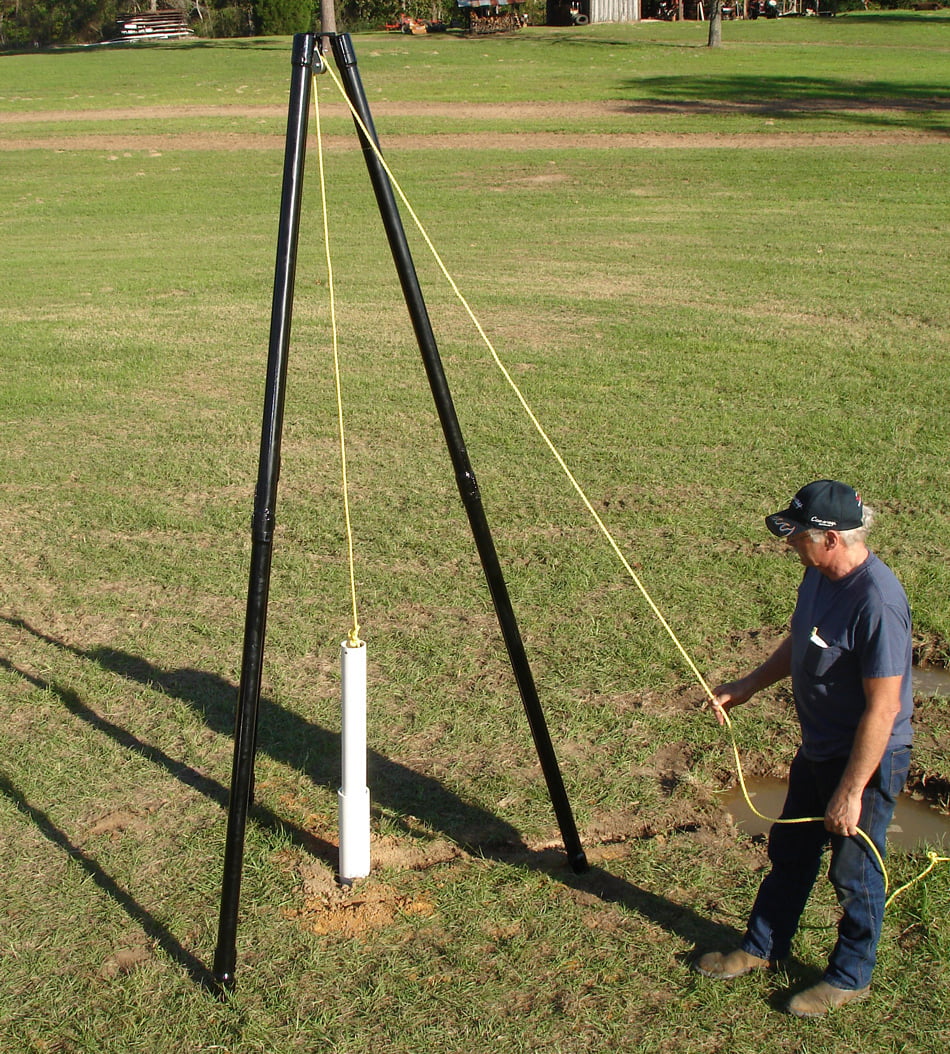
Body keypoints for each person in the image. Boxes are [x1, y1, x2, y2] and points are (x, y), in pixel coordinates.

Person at [694, 480, 913, 1018]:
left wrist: (850, 791)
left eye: (798, 536)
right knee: (791, 851)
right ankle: (762, 947)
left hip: (867, 756)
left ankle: (849, 975)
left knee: (854, 869)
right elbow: (801, 639)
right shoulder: (818, 576)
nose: (790, 545)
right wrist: (747, 684)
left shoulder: (877, 602)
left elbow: (882, 710)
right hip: (819, 747)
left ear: (832, 539)